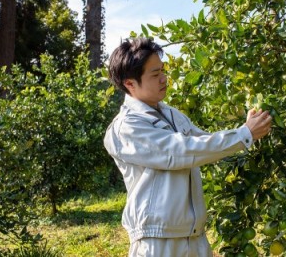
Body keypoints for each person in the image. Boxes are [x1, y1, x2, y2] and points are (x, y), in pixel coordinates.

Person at [104, 37, 272, 257]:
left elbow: (205, 144)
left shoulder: (172, 114)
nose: (163, 79)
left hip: (194, 235)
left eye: (162, 71)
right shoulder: (126, 126)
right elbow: (180, 151)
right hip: (157, 239)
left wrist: (246, 131)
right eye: (155, 75)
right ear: (130, 83)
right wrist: (243, 134)